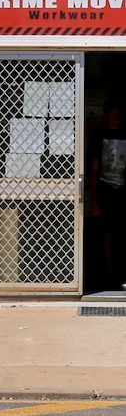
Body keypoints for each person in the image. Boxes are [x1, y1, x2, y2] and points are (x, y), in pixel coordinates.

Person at [88, 97, 126, 289]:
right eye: (112, 114)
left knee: (121, 233)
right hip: (106, 192)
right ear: (105, 116)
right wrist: (94, 201)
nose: (115, 117)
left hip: (123, 193)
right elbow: (93, 171)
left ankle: (121, 273)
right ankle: (108, 273)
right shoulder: (98, 136)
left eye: (118, 114)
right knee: (106, 234)